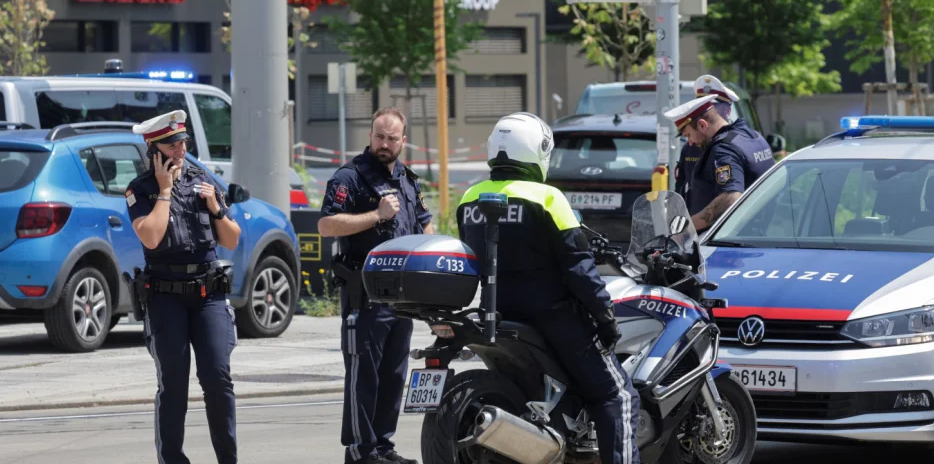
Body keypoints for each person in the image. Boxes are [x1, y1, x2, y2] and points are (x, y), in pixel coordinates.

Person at [457, 112, 640, 464]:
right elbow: (580, 269)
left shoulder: (469, 198)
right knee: (616, 395)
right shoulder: (548, 198)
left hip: (497, 309)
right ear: (536, 152)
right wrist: (605, 316)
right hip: (552, 316)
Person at [126, 110, 243, 464]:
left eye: (183, 143)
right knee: (174, 384)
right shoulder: (140, 190)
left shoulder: (201, 179)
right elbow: (150, 236)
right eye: (173, 144)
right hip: (166, 296)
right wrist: (164, 192)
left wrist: (217, 209)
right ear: (154, 148)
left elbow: (232, 240)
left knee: (217, 378)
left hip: (208, 293)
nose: (180, 150)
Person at [318, 108, 433, 464]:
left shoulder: (409, 180)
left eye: (391, 138)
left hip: (403, 298)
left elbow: (425, 227)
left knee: (394, 376)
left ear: (403, 141)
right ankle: (361, 451)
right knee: (363, 378)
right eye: (379, 136)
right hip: (365, 296)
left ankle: (383, 446)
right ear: (370, 136)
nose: (384, 144)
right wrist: (376, 215)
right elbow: (326, 225)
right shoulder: (349, 178)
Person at [664, 95, 776, 231]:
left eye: (688, 135)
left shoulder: (723, 150)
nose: (690, 142)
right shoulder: (753, 137)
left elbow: (730, 198)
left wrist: (685, 229)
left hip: (730, 240)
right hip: (759, 232)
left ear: (702, 125)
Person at [674, 75, 739, 200]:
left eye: (710, 107)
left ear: (727, 111)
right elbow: (681, 186)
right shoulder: (691, 145)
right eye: (700, 106)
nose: (704, 112)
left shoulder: (736, 143)